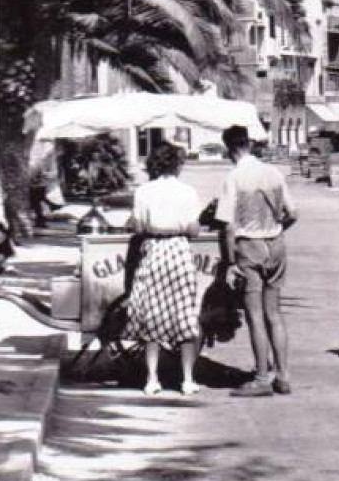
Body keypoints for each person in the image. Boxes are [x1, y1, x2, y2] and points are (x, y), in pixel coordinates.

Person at [216, 125, 298, 396]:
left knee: (255, 316)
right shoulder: (273, 172)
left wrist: (229, 262)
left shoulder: (234, 177)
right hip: (276, 245)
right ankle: (283, 375)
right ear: (249, 144)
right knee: (274, 313)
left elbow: (227, 226)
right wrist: (276, 230)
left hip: (248, 246)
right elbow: (293, 212)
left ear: (230, 149)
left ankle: (262, 378)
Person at [124, 144, 205, 396]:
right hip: (179, 251)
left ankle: (151, 379)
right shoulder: (188, 192)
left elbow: (137, 227)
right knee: (184, 315)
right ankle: (188, 379)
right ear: (177, 164)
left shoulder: (144, 191)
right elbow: (193, 230)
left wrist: (149, 225)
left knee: (153, 315)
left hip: (154, 251)